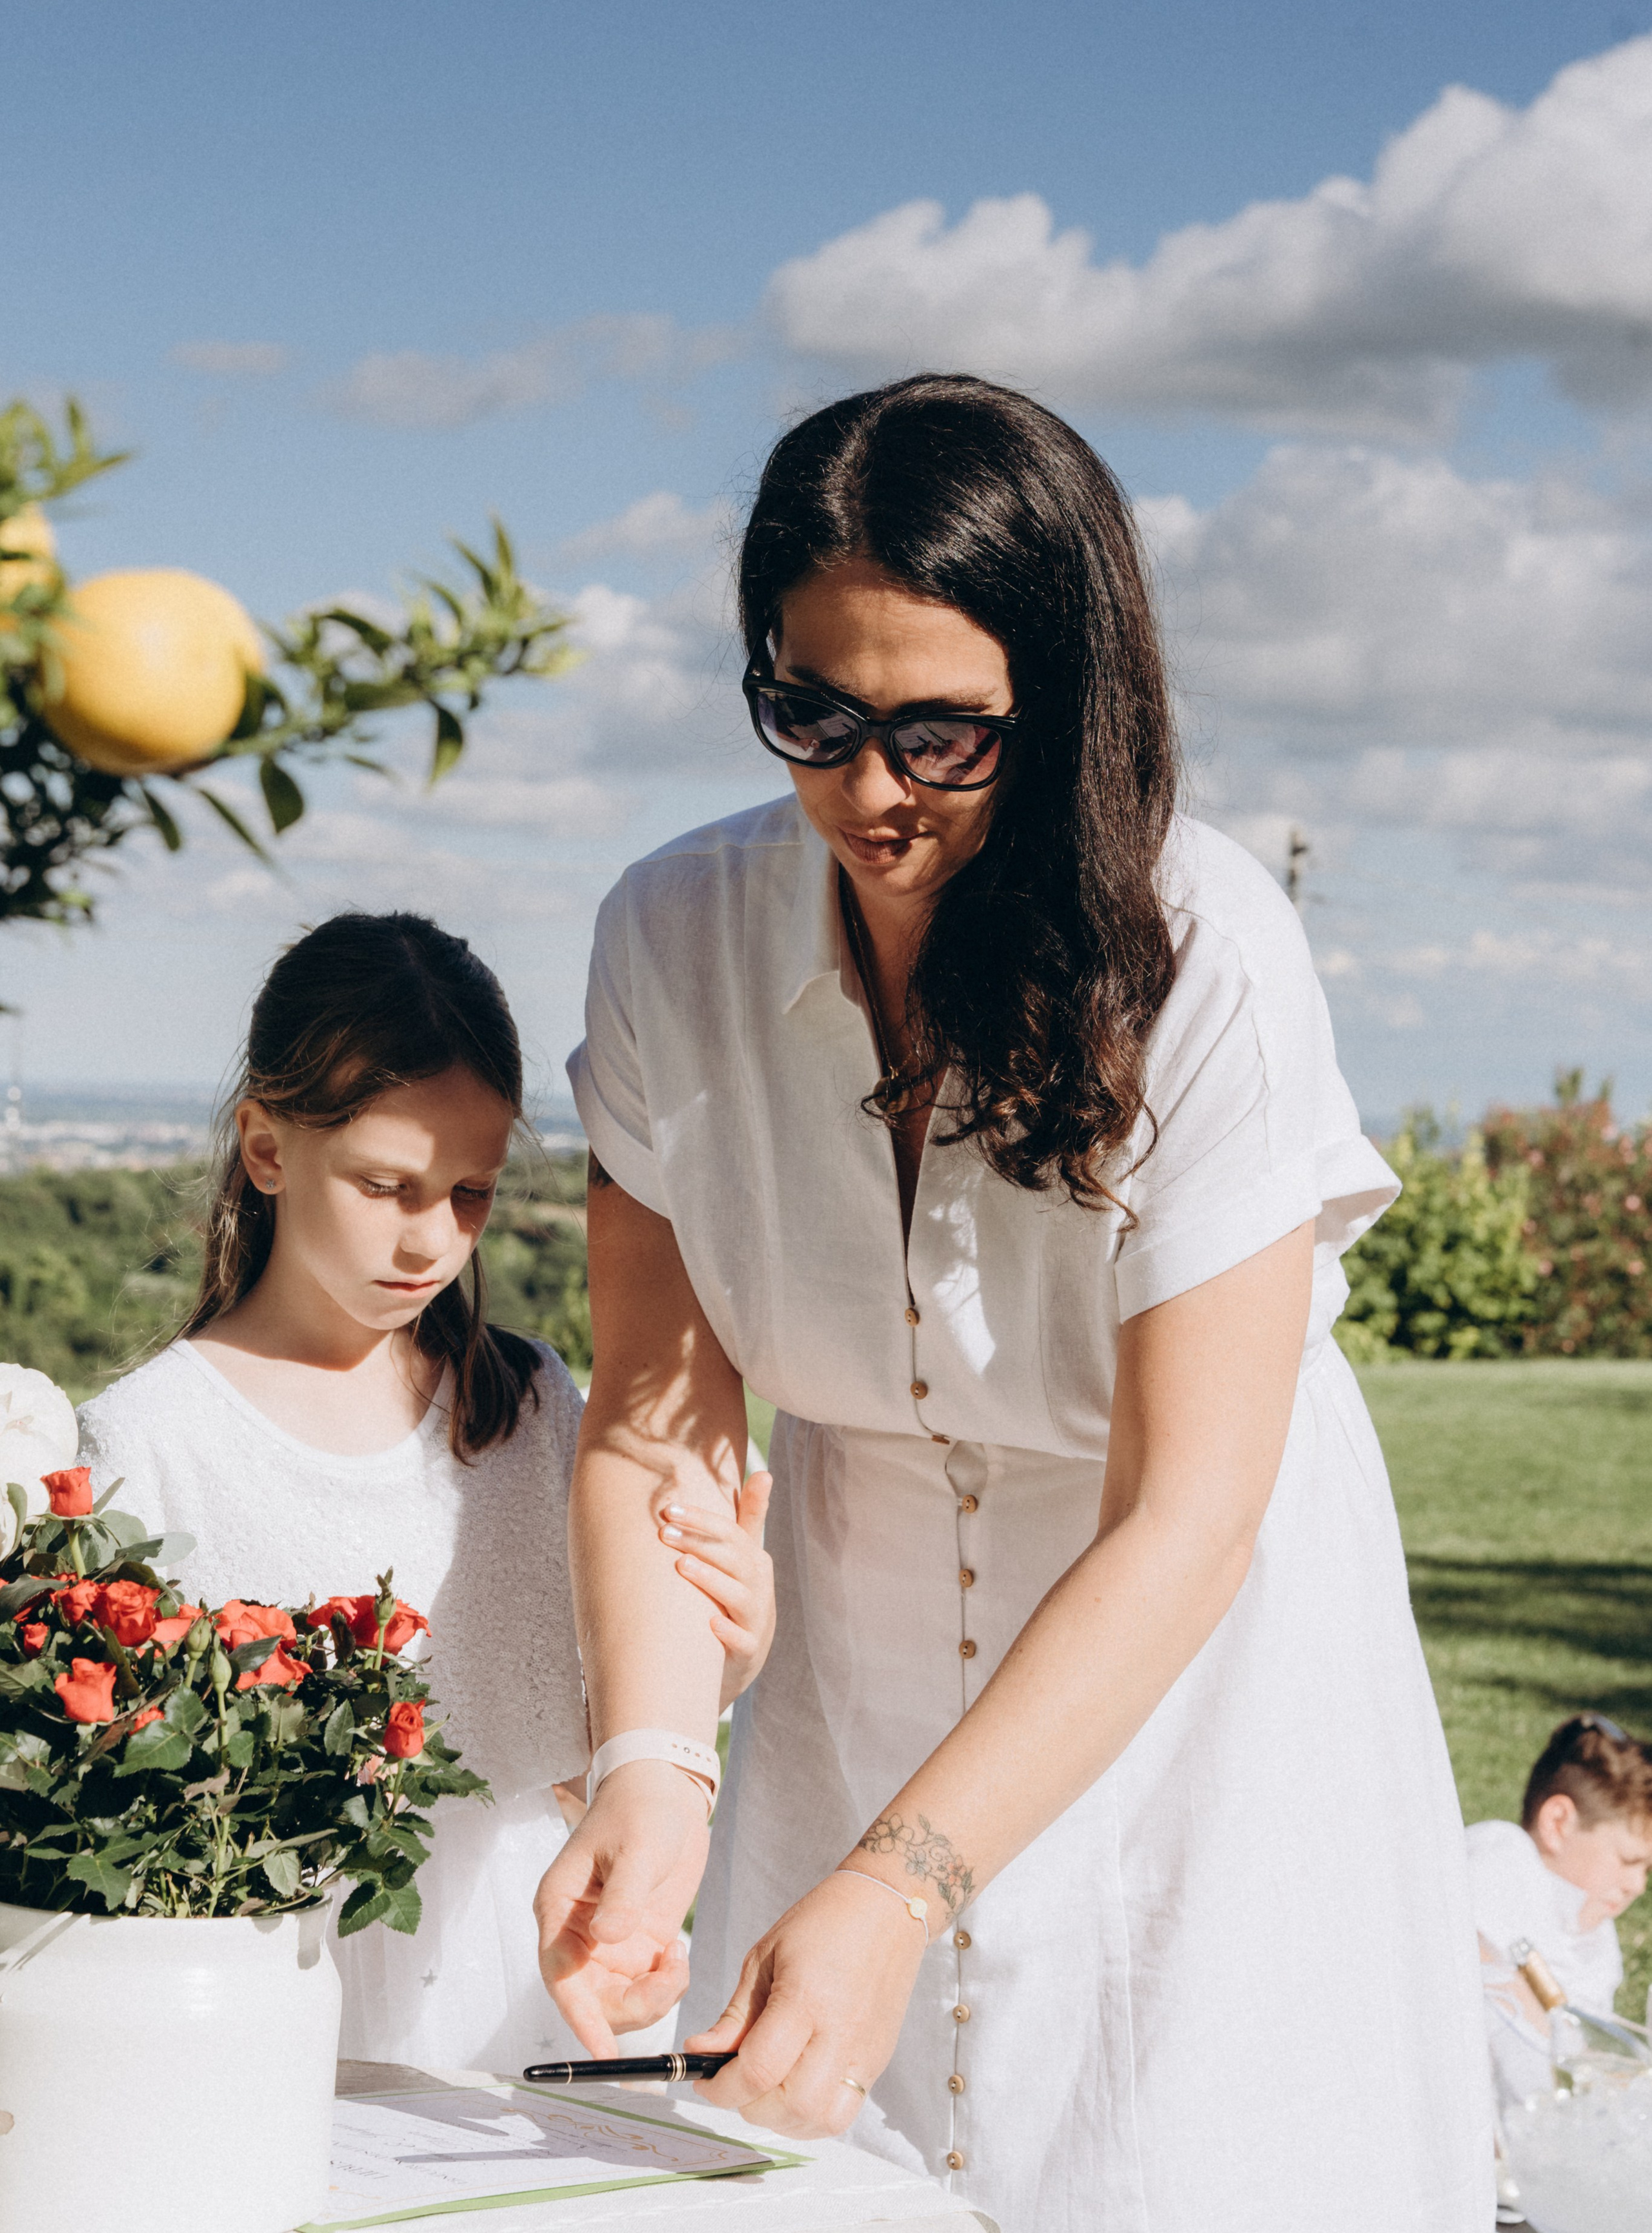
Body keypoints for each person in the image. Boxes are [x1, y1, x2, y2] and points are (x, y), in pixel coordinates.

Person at [534, 375, 1493, 2233]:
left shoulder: (1209, 953)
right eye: (810, 714)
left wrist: (904, 1881)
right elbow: (657, 1423)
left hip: (1192, 1673)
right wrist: (651, 1768)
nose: (866, 791)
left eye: (941, 735)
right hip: (852, 1643)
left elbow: (1188, 1516)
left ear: (1061, 705)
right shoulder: (666, 935)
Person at [78, 910, 773, 2074]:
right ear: (266, 1148)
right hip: (271, 1986)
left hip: (539, 1956)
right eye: (386, 1185)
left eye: (470, 1193)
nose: (431, 1243)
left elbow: (592, 1734)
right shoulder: (151, 1442)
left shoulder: (534, 1407)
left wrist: (723, 1657)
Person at [1469, 1713, 1652, 2109]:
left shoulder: (1592, 1932)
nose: (1637, 1885)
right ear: (1557, 1823)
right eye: (1628, 1861)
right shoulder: (1499, 1863)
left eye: (1646, 1870)